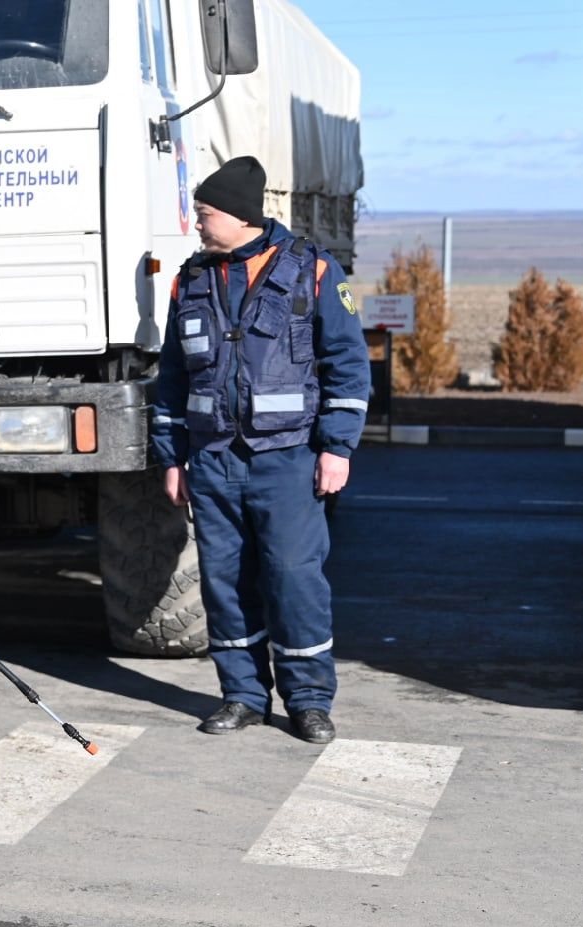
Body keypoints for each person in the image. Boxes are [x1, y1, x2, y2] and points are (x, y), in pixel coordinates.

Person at [150, 156, 370, 745]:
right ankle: (243, 696)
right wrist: (171, 457)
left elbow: (347, 365)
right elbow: (172, 379)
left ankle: (308, 701)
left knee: (294, 578)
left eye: (204, 213)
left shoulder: (314, 270)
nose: (196, 223)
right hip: (214, 461)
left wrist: (337, 449)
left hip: (289, 458)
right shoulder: (190, 279)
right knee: (224, 582)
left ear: (240, 216)